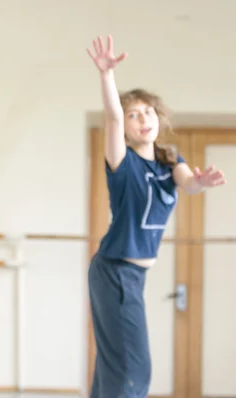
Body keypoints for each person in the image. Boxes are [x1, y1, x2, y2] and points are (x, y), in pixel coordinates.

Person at [86, 35, 227, 398]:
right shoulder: (123, 162)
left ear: (158, 118)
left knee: (115, 362)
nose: (141, 119)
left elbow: (188, 185)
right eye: (134, 115)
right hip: (115, 270)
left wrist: (201, 181)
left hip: (133, 274)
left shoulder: (169, 160)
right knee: (133, 368)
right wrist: (107, 77)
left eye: (147, 112)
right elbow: (113, 119)